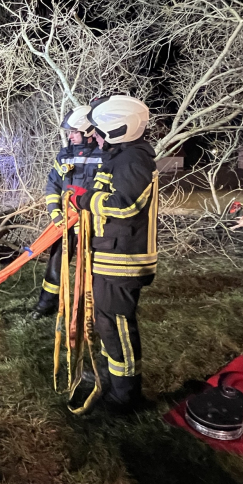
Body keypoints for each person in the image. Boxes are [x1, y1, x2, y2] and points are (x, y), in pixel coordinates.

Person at [70, 95, 158, 410]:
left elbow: (125, 205)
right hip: (111, 254)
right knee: (107, 322)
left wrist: (84, 201)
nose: (94, 136)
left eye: (98, 131)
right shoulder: (123, 157)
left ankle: (125, 396)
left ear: (118, 129)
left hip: (123, 260)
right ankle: (112, 378)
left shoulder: (132, 160)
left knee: (117, 325)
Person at [29, 105, 102, 320]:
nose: (70, 137)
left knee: (91, 267)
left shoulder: (103, 156)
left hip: (91, 224)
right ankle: (45, 305)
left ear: (89, 132)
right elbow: (53, 184)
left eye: (74, 132)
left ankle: (91, 308)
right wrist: (55, 213)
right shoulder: (64, 155)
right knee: (56, 264)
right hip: (65, 222)